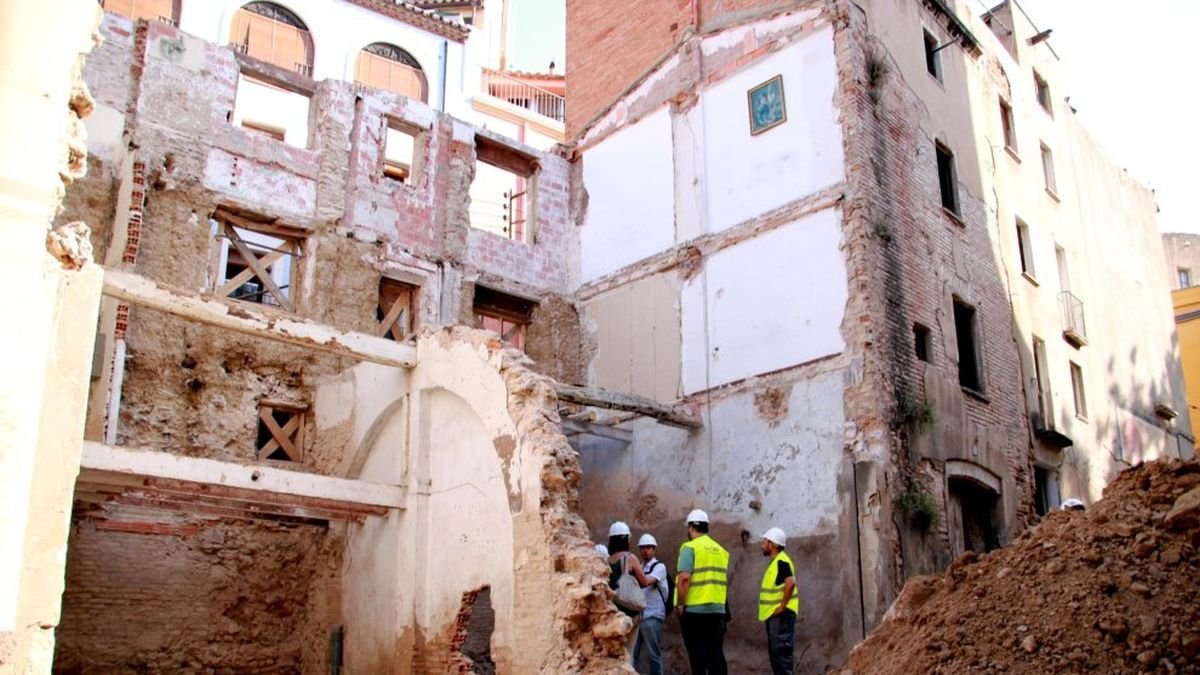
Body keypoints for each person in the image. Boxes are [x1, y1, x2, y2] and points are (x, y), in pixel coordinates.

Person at [674, 509, 729, 675]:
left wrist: (680, 604)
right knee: (716, 655)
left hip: (695, 611)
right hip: (718, 611)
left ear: (691, 528)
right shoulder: (721, 550)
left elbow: (684, 579)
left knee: (698, 658)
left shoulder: (690, 548)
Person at [758, 527, 798, 675]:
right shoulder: (776, 562)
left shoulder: (781, 562)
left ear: (772, 544)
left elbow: (790, 583)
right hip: (775, 616)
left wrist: (782, 606)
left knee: (781, 656)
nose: (762, 544)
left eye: (765, 541)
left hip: (781, 616)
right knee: (777, 656)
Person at [632, 533, 668, 675]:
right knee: (632, 656)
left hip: (652, 616)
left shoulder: (659, 567)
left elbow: (645, 581)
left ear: (654, 549)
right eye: (643, 548)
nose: (645, 551)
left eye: (649, 548)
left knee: (654, 655)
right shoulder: (640, 566)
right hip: (640, 617)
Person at [608, 522, 652, 626]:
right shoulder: (630, 558)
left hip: (613, 610)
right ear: (626, 540)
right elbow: (644, 582)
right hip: (629, 611)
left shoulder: (606, 561)